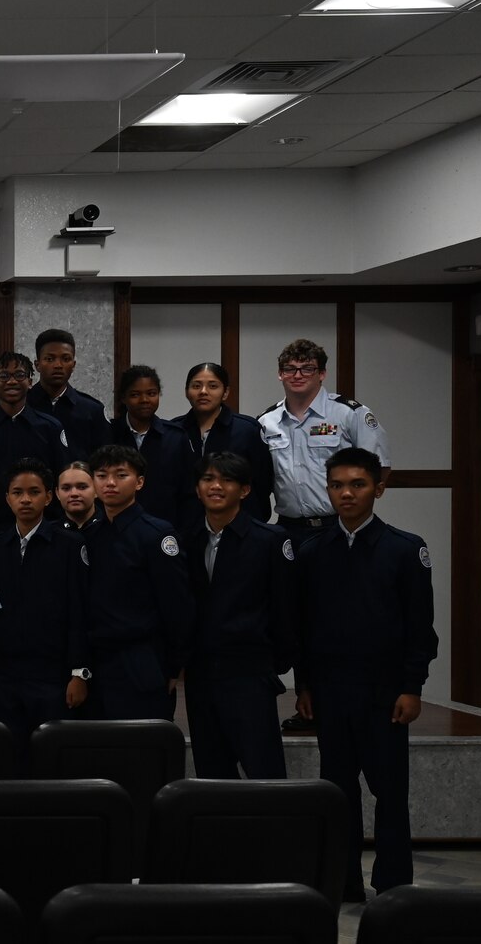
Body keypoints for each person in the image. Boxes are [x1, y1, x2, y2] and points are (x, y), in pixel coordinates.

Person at [295, 447, 436, 901]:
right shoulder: (313, 549)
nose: (346, 494)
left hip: (384, 692)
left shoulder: (404, 548)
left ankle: (394, 883)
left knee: (389, 791)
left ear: (378, 487)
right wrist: (305, 685)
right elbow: (304, 625)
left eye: (356, 484)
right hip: (332, 690)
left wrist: (411, 687)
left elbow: (420, 627)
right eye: (337, 485)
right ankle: (344, 881)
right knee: (339, 792)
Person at [181, 451, 296, 780]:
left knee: (264, 771)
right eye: (207, 479)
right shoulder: (186, 539)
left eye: (226, 480)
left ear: (244, 490)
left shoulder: (270, 541)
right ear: (197, 488)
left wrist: (273, 663)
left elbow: (285, 611)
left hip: (249, 672)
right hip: (201, 675)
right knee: (212, 772)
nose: (215, 486)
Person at [0, 461, 88, 758]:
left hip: (52, 674)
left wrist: (79, 673)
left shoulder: (68, 545)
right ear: (7, 498)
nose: (25, 499)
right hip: (6, 675)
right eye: (17, 492)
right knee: (9, 755)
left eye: (34, 492)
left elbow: (79, 611)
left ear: (49, 497)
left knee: (51, 757)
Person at [80, 445, 194, 722]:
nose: (110, 483)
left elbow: (177, 605)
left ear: (139, 482)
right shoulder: (90, 535)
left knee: (143, 753)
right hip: (97, 661)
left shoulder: (156, 534)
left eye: (121, 475)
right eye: (102, 475)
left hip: (142, 659)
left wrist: (172, 667)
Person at [256, 337, 391, 548]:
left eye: (307, 368)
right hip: (287, 529)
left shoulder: (349, 414)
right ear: (280, 374)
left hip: (339, 526)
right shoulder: (266, 421)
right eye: (290, 369)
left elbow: (379, 467)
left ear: (322, 374)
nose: (297, 375)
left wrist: (356, 516)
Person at [0, 350, 71, 541]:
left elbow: (61, 479)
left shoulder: (49, 427)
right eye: (4, 376)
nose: (12, 381)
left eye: (19, 375)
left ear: (30, 382)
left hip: (42, 531)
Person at [176, 361, 274, 523]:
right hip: (188, 525)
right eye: (196, 386)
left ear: (225, 392)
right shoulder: (175, 430)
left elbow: (263, 482)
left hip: (241, 522)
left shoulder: (247, 429)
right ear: (186, 392)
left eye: (213, 386)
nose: (203, 392)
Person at [110, 363, 195, 533]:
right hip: (115, 529)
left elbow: (188, 493)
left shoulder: (176, 437)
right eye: (135, 394)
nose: (144, 400)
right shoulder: (108, 433)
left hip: (165, 530)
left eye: (151, 394)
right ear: (123, 398)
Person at [26, 327, 110, 457]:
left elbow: (104, 461)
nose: (58, 365)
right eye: (49, 359)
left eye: (66, 359)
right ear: (37, 365)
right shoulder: (23, 404)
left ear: (74, 365)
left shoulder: (92, 410)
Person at [56, 460, 99, 531]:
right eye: (66, 488)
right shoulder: (47, 534)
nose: (74, 494)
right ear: (57, 493)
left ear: (96, 490)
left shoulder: (113, 528)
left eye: (82, 487)